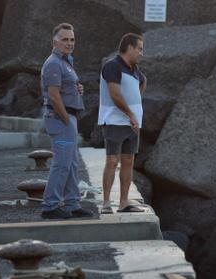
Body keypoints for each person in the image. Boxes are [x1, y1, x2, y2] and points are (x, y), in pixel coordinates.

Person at [40, 22, 94, 220]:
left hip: (69, 117)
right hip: (61, 119)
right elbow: (54, 96)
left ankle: (72, 204)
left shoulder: (66, 61)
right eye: (65, 39)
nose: (69, 43)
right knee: (61, 164)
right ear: (55, 41)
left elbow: (64, 88)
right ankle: (49, 206)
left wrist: (77, 90)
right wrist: (66, 120)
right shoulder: (54, 63)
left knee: (71, 163)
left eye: (72, 39)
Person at [97, 32, 147, 214]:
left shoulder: (134, 69)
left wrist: (136, 106)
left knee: (128, 160)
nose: (142, 53)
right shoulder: (112, 66)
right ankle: (105, 203)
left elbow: (143, 82)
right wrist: (131, 113)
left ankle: (124, 202)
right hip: (114, 121)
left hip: (132, 123)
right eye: (140, 49)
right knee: (112, 161)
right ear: (130, 48)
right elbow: (115, 94)